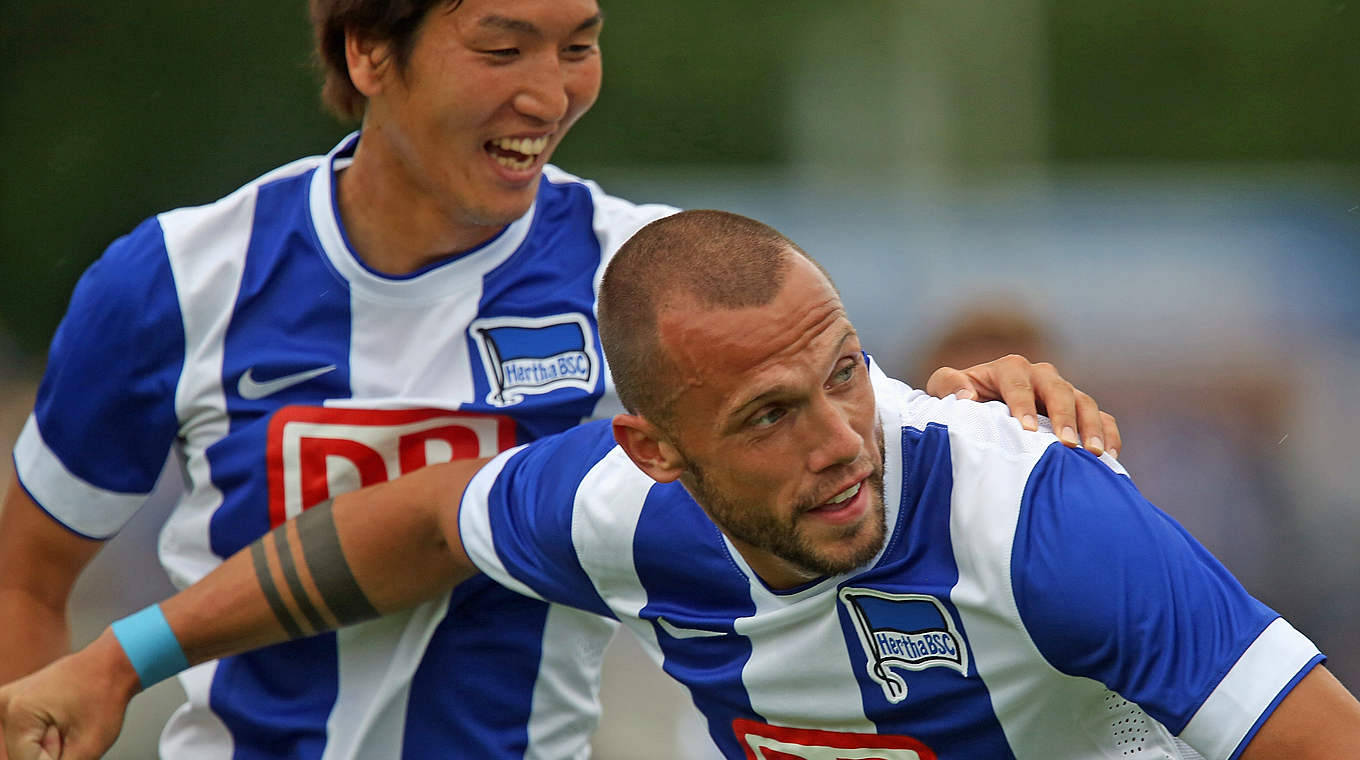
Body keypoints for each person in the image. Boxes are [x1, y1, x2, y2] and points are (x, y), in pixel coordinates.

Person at [0, 2, 1121, 759]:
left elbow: (853, 457)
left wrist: (995, 403)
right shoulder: (176, 279)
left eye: (577, 43)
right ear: (366, 54)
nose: (550, 93)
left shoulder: (647, 282)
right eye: (502, 50)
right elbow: (26, 579)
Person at [5, 210, 1357, 760]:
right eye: (770, 415)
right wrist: (123, 659)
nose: (838, 437)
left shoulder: (1044, 524)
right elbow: (412, 525)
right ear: (657, 449)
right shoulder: (617, 507)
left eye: (843, 373)